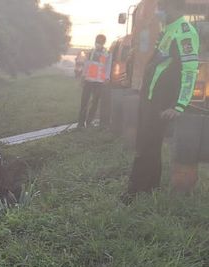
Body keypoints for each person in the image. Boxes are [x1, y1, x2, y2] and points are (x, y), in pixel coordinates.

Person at [124, 0, 199, 202]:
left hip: (162, 100)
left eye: (163, 7)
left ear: (176, 8)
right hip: (150, 96)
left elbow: (190, 70)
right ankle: (148, 188)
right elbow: (159, 62)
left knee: (147, 146)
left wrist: (179, 105)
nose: (159, 11)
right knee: (147, 145)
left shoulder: (185, 31)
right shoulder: (168, 29)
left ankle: (135, 192)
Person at [78, 34, 112, 128]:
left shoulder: (107, 54)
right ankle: (80, 123)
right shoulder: (91, 53)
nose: (98, 43)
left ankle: (89, 122)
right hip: (88, 80)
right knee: (84, 101)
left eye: (100, 42)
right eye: (97, 41)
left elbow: (108, 67)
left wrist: (107, 78)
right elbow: (86, 65)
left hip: (99, 82)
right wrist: (83, 77)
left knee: (95, 103)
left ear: (103, 43)